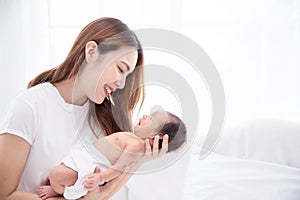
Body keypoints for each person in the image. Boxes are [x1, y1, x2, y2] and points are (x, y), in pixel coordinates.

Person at [0, 17, 169, 200]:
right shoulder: (31, 105)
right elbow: (4, 193)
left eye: (127, 77)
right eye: (121, 69)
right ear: (91, 51)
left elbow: (97, 196)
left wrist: (138, 159)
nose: (121, 84)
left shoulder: (103, 123)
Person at [36, 110, 187, 200]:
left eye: (152, 118)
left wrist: (99, 178)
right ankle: (59, 190)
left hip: (88, 172)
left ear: (159, 136)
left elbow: (119, 168)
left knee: (56, 174)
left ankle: (59, 192)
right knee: (57, 173)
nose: (145, 116)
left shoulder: (136, 147)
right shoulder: (133, 137)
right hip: (84, 159)